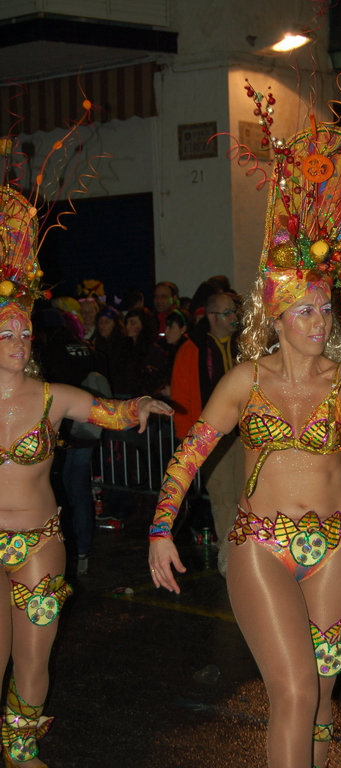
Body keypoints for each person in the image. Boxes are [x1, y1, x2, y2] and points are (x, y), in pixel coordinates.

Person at [149, 121, 341, 768]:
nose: (319, 321)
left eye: (325, 308)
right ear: (277, 316)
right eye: (305, 311)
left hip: (337, 545)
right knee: (292, 691)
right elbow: (189, 455)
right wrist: (160, 528)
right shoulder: (244, 380)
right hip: (260, 545)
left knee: (321, 699)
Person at [0, 186, 172, 768]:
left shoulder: (51, 397)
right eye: (5, 333)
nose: (18, 342)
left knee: (33, 656)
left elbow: (109, 412)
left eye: (24, 332)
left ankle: (20, 748)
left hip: (38, 542)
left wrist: (138, 405)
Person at [170, 292, 242, 546]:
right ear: (211, 316)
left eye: (234, 312)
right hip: (209, 436)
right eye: (227, 313)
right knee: (223, 497)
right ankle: (229, 557)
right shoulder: (191, 350)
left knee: (246, 495)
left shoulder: (245, 345)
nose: (234, 318)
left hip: (244, 435)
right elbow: (181, 396)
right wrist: (187, 440)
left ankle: (248, 554)